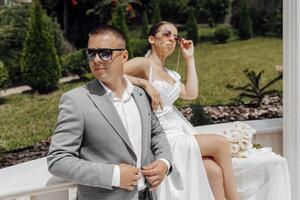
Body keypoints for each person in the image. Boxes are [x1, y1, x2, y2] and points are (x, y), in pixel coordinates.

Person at [47, 25, 174, 200]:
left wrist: (164, 162)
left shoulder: (140, 94)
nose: (96, 60)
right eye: (91, 53)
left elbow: (157, 133)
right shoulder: (76, 101)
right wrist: (114, 175)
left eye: (105, 53)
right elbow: (58, 160)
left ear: (124, 56)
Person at [124, 21, 240, 200]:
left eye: (175, 37)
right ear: (152, 39)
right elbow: (111, 73)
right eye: (167, 34)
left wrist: (189, 58)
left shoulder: (171, 74)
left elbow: (191, 93)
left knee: (213, 171)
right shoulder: (143, 64)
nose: (172, 39)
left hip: (178, 132)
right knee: (221, 144)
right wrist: (143, 82)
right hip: (163, 137)